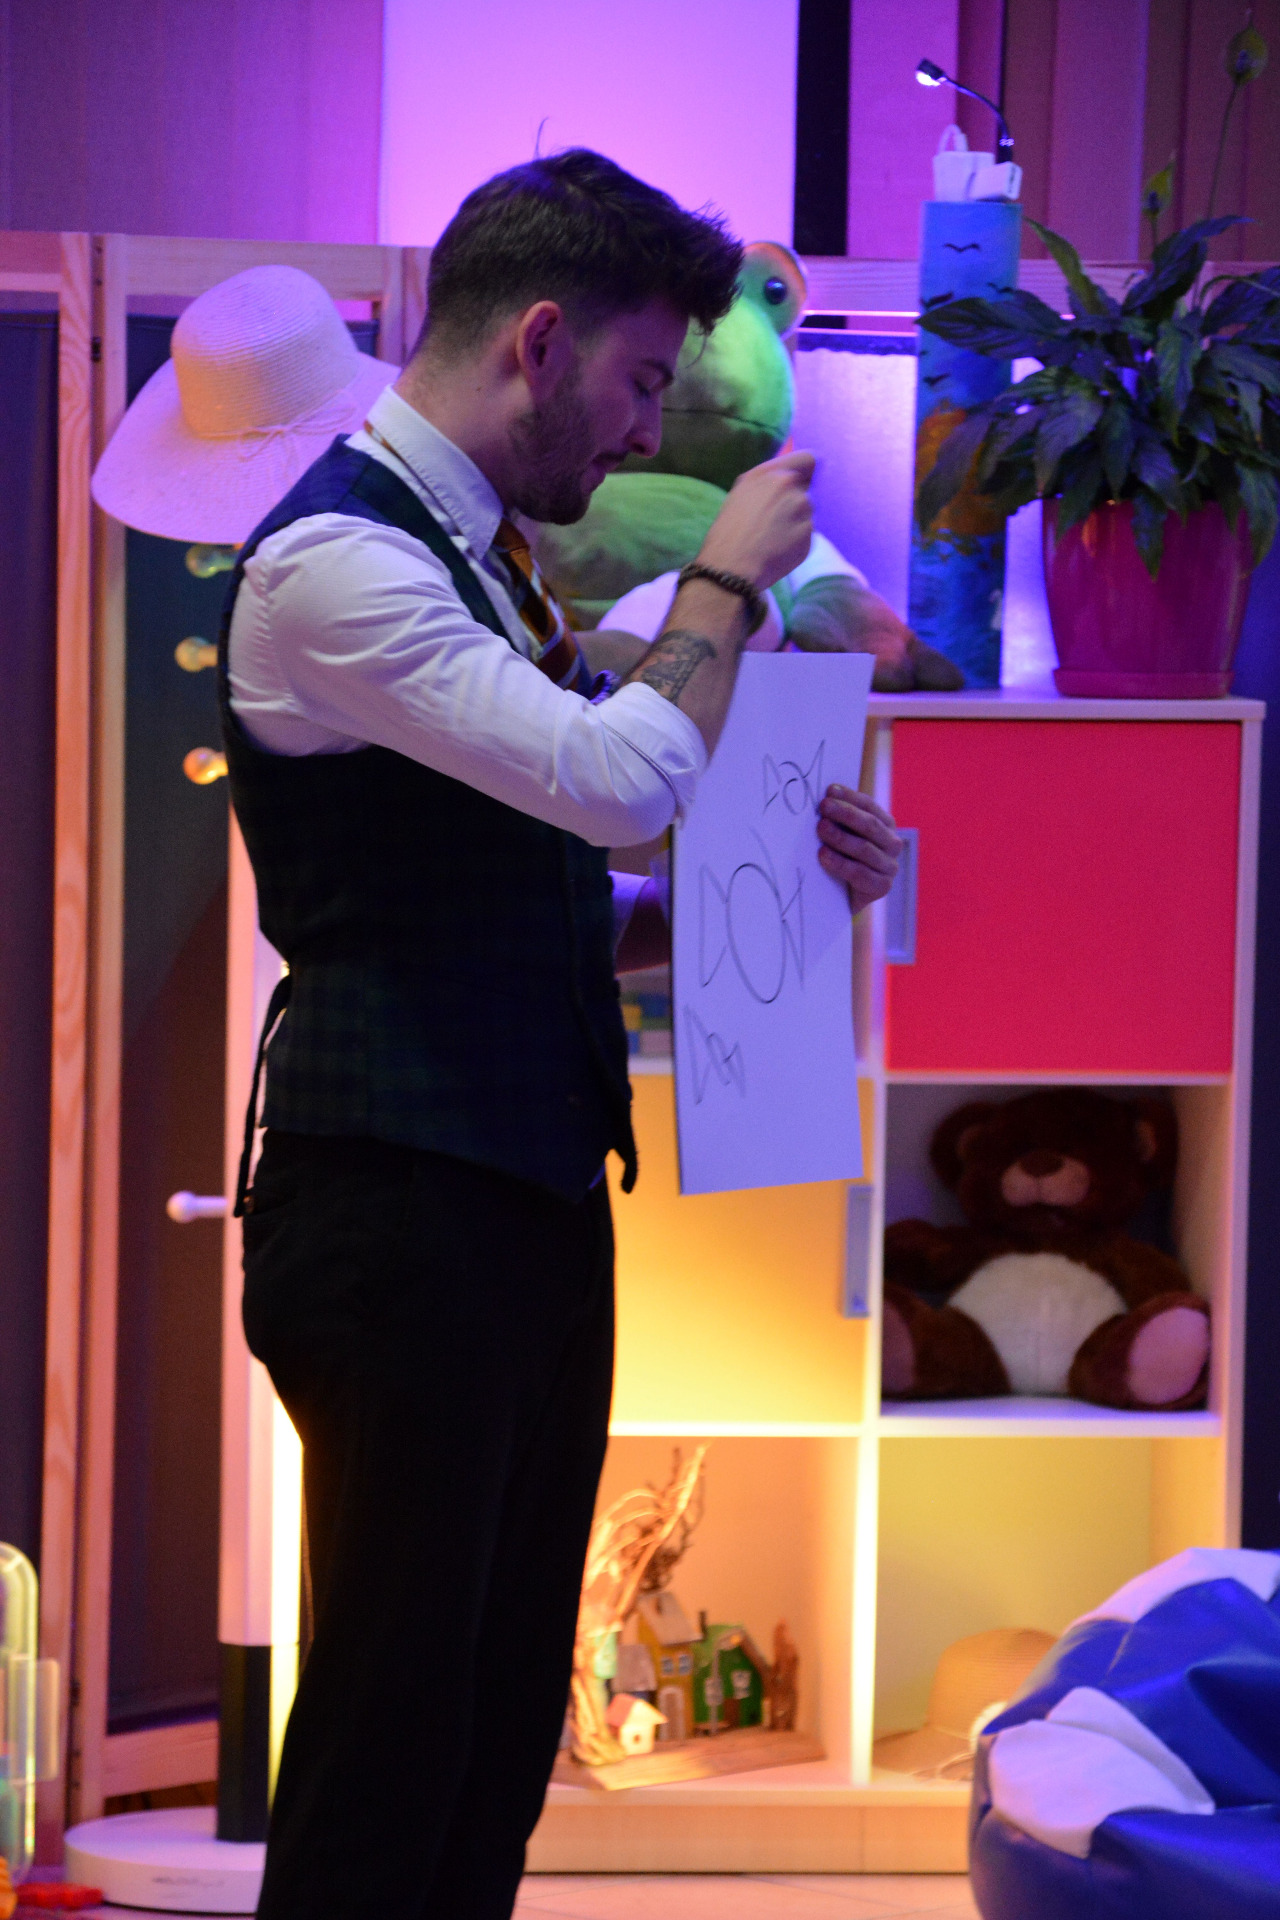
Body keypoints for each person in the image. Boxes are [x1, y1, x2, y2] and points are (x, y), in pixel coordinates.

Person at [220, 148, 901, 1920]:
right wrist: (721, 587)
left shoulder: (478, 555)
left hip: (511, 1200)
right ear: (538, 341)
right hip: (397, 1206)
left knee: (498, 1722)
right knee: (391, 1737)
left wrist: (783, 893)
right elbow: (613, 786)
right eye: (641, 381)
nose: (651, 433)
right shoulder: (332, 564)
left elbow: (556, 885)